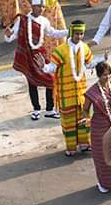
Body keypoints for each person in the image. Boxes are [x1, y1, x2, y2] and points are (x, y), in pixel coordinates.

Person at [4, 0, 66, 119]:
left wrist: (68, 31)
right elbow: (11, 37)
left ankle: (49, 109)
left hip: (40, 53)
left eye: (43, 7)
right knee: (31, 81)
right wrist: (8, 35)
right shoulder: (22, 20)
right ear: (33, 6)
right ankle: (36, 108)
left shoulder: (44, 21)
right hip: (28, 55)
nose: (42, 9)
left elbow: (52, 33)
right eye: (39, 6)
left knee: (51, 79)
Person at [43, 20, 100, 156]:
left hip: (81, 94)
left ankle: (85, 144)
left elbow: (88, 64)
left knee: (84, 119)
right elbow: (52, 68)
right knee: (68, 123)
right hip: (65, 95)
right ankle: (71, 148)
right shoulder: (61, 50)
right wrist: (43, 67)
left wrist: (100, 61)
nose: (79, 37)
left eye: (81, 34)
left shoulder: (85, 48)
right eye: (77, 34)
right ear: (71, 33)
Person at [85, 62, 111, 193]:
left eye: (109, 74)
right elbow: (85, 109)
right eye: (104, 75)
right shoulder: (92, 91)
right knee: (102, 156)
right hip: (99, 128)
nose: (107, 77)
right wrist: (87, 118)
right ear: (98, 75)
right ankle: (105, 184)